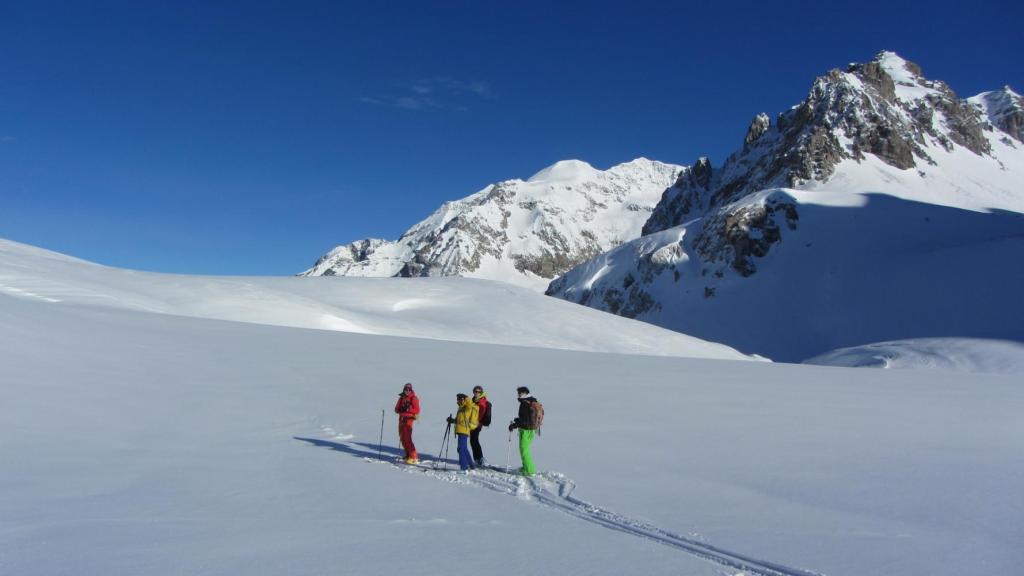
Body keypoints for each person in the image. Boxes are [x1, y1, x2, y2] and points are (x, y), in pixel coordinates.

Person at [508, 386, 541, 476]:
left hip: (525, 430)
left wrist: (515, 424)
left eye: (521, 393)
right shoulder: (532, 401)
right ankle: (525, 467)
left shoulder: (525, 403)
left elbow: (525, 420)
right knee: (525, 449)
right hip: (532, 429)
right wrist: (518, 420)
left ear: (526, 393)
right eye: (518, 393)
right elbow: (527, 418)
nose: (519, 394)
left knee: (524, 450)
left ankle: (530, 470)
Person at [446, 393, 479, 473]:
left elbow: (470, 403)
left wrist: (466, 397)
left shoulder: (467, 407)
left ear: (463, 400)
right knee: (463, 449)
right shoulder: (460, 408)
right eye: (458, 399)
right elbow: (458, 420)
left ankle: (464, 468)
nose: (458, 400)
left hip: (464, 430)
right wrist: (452, 420)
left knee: (461, 449)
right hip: (460, 430)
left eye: (460, 399)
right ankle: (471, 465)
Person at [394, 382, 420, 464]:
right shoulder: (401, 398)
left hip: (408, 420)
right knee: (402, 438)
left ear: (411, 390)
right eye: (406, 389)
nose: (407, 391)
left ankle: (414, 456)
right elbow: (396, 409)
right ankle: (408, 454)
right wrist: (400, 409)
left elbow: (417, 410)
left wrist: (409, 409)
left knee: (407, 438)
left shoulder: (413, 398)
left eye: (409, 389)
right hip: (401, 419)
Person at [470, 386, 491, 467]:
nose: (476, 393)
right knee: (474, 441)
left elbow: (481, 412)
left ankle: (480, 459)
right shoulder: (475, 400)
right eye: (475, 391)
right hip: (473, 423)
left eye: (478, 391)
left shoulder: (481, 401)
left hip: (477, 424)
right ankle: (478, 459)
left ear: (481, 392)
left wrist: (479, 422)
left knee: (474, 440)